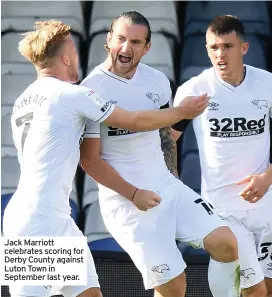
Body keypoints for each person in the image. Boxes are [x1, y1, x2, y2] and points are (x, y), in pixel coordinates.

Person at [3, 20, 211, 297]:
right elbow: (134, 120)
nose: (77, 57)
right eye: (74, 52)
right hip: (36, 223)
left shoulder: (23, 99)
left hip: (55, 217)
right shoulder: (72, 95)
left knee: (90, 294)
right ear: (65, 57)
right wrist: (181, 112)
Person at [80, 11, 241, 297]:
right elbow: (90, 160)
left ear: (147, 47)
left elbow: (165, 138)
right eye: (120, 39)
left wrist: (173, 183)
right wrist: (133, 194)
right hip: (126, 202)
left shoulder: (157, 81)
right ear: (108, 40)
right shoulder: (90, 90)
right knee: (173, 286)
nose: (126, 48)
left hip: (166, 187)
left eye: (135, 42)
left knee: (226, 244)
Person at [172, 15, 272, 297]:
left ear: (243, 48)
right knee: (254, 291)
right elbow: (166, 143)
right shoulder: (193, 90)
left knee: (271, 289)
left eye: (227, 46)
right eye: (213, 47)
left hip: (265, 205)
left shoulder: (270, 85)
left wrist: (268, 178)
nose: (220, 54)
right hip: (222, 210)